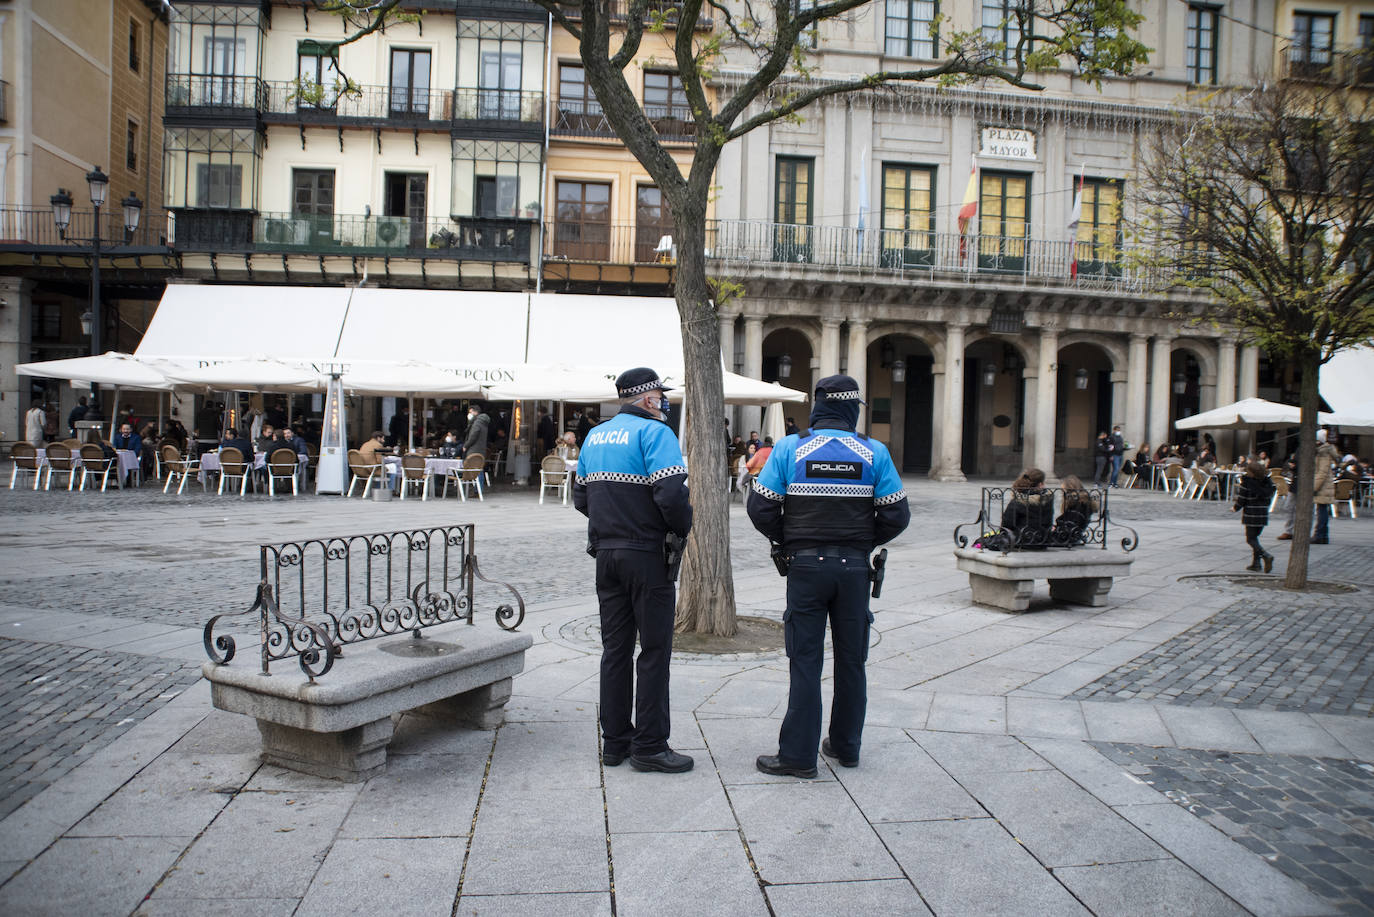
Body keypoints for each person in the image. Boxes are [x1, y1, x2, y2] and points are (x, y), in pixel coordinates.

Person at [747, 374, 910, 778]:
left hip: (805, 568)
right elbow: (897, 515)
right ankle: (846, 746)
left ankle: (798, 757)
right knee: (852, 660)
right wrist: (861, 543)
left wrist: (788, 541)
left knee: (805, 660)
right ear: (852, 408)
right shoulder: (875, 452)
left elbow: (760, 508)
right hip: (854, 570)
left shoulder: (790, 448)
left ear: (819, 405)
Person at [574, 367, 693, 774]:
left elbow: (580, 496)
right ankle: (650, 746)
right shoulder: (656, 433)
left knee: (615, 650)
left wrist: (612, 524)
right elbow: (672, 494)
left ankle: (615, 744)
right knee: (655, 651)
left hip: (606, 554)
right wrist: (680, 529)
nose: (664, 401)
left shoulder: (595, 435)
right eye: (660, 395)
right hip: (647, 555)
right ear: (645, 398)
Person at [1233, 461, 1276, 572]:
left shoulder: (1247, 483)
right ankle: (1256, 564)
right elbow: (1269, 497)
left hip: (1251, 514)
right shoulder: (1267, 482)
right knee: (1255, 538)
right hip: (1262, 514)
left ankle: (1265, 555)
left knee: (1250, 539)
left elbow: (1242, 499)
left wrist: (1235, 508)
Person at [1000, 468, 1055, 548]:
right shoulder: (1048, 500)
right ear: (1040, 485)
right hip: (1043, 541)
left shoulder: (1019, 500)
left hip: (1021, 541)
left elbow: (1007, 523)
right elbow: (1048, 522)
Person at [1052, 474, 1098, 545]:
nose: (1062, 493)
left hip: (1067, 537)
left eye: (1063, 491)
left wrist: (1056, 529)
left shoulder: (1078, 504)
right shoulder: (1082, 502)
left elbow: (1070, 525)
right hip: (1072, 534)